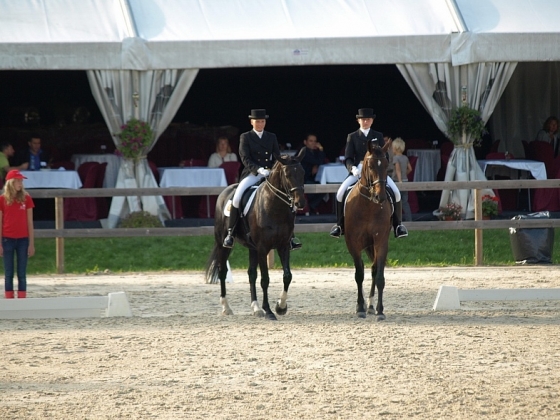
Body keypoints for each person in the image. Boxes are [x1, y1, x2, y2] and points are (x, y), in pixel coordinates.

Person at [223, 109, 301, 250]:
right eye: (257, 121)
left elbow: (277, 156)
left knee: (287, 198)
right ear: (252, 122)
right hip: (252, 174)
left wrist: (274, 170)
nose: (260, 124)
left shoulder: (271, 137)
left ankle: (291, 236)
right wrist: (258, 170)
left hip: (270, 174)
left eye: (262, 121)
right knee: (237, 197)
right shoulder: (245, 137)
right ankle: (231, 233)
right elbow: (245, 158)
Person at [329, 108, 408, 238]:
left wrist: (381, 167)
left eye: (368, 119)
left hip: (376, 171)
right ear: (358, 120)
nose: (365, 121)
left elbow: (385, 156)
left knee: (396, 193)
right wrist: (352, 168)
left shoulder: (378, 135)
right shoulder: (352, 136)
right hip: (358, 170)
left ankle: (398, 225)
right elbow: (348, 157)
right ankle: (339, 225)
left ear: (372, 121)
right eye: (363, 119)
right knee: (340, 193)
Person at [0, 170, 35, 299]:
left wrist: (31, 244)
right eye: (18, 181)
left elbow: (30, 222)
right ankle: (9, 299)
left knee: (22, 272)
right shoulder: (2, 200)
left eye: (21, 181)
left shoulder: (26, 198)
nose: (21, 183)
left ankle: (22, 299)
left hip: (23, 240)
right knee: (8, 273)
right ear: (11, 182)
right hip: (7, 239)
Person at [300, 133, 326, 215]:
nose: (313, 143)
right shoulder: (303, 151)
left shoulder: (314, 152)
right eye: (311, 141)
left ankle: (311, 206)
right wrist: (321, 149)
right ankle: (310, 207)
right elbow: (318, 161)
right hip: (303, 180)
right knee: (322, 189)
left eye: (315, 141)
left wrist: (316, 165)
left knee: (325, 188)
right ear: (305, 142)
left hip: (311, 178)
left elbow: (321, 161)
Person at [391, 137, 412, 222]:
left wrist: (399, 180)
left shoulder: (396, 158)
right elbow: (410, 169)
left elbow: (397, 169)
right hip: (405, 180)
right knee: (405, 202)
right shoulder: (405, 157)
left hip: (397, 181)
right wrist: (404, 176)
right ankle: (409, 219)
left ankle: (395, 220)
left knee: (395, 201)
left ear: (395, 148)